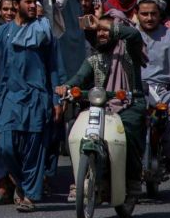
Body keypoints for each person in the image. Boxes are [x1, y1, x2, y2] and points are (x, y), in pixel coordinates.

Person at [0, 0, 61, 212]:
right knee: (5, 145)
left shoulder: (45, 31)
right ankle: (20, 181)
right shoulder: (2, 33)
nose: (32, 6)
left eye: (34, 2)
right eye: (27, 2)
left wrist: (57, 100)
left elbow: (54, 68)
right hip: (8, 97)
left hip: (37, 98)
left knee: (34, 149)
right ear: (16, 4)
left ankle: (29, 195)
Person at [57, 13, 146, 204]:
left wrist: (101, 23)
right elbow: (79, 78)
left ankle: (132, 181)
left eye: (106, 30)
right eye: (98, 31)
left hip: (131, 104)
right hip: (101, 106)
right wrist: (66, 87)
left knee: (128, 133)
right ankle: (82, 179)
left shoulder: (130, 52)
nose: (101, 34)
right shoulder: (94, 60)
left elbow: (134, 35)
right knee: (76, 129)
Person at [136, 0, 170, 174]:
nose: (149, 18)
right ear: (137, 15)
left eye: (153, 14)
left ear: (159, 15)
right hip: (138, 91)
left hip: (164, 90)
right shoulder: (131, 35)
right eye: (144, 14)